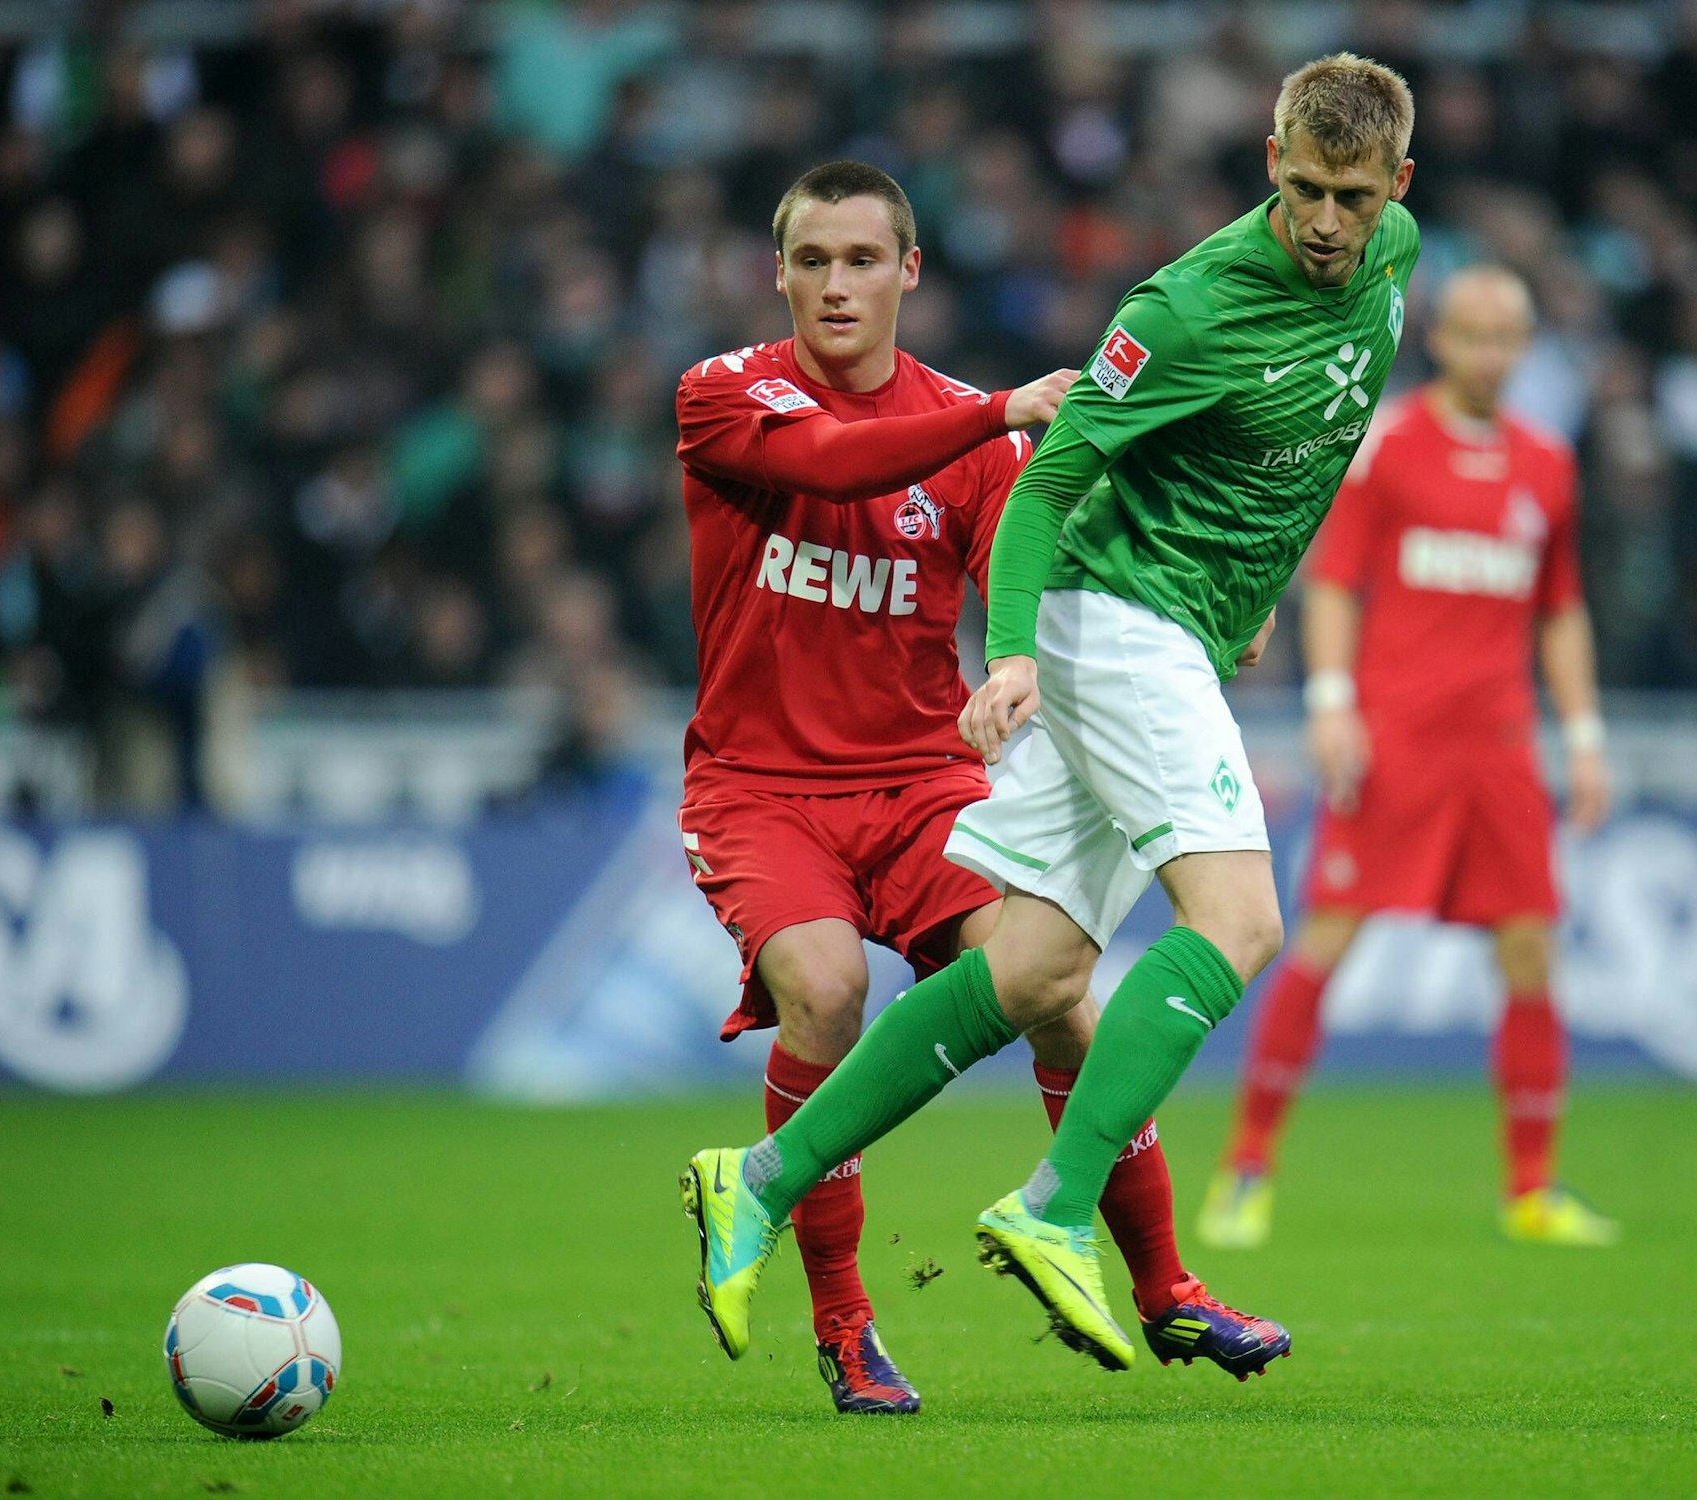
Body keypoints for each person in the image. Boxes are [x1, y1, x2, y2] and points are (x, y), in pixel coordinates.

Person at [681, 54, 1418, 1376]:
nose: (1322, 220)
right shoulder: (1188, 306)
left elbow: (1294, 459)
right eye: (1301, 187)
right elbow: (1043, 486)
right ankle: (1053, 1208)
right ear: (1267, 163)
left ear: (1394, 190)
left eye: (1348, 197)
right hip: (1118, 630)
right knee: (1241, 920)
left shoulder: (1393, 255)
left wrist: (1246, 588)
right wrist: (1013, 653)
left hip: (1162, 626)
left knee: (1032, 974)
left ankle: (768, 1173)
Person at [1198, 266, 1619, 1251]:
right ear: (1439, 339)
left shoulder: (1546, 464)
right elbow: (1333, 583)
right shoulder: (1387, 446)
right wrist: (1333, 703)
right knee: (1325, 940)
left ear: (1522, 346)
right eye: (1471, 336)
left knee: (1527, 952)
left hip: (1501, 750)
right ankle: (1245, 1170)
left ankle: (1531, 1188)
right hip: (1397, 742)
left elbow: (1558, 609)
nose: (1487, 355)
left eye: (1504, 339)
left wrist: (1584, 736)